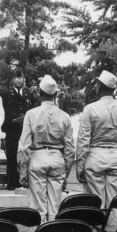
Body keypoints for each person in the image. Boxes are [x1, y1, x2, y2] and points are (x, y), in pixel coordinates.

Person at [76, 70, 117, 230]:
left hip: (95, 155)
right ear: (114, 89)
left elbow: (83, 140)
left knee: (95, 202)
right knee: (114, 203)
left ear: (98, 87)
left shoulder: (90, 109)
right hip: (116, 155)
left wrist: (80, 165)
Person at [17, 74, 75, 222]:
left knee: (38, 206)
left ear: (39, 94)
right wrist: (66, 171)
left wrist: (23, 171)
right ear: (55, 94)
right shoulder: (65, 116)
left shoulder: (31, 114)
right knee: (54, 205)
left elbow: (24, 146)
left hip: (37, 157)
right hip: (57, 158)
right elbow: (70, 148)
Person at [2, 70, 35, 189]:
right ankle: (12, 182)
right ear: (12, 80)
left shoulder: (28, 93)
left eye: (21, 77)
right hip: (12, 129)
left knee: (26, 155)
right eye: (16, 77)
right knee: (12, 155)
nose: (19, 80)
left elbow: (32, 109)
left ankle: (25, 181)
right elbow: (4, 111)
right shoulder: (6, 94)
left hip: (25, 129)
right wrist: (15, 119)